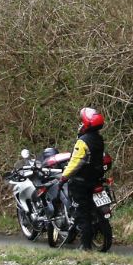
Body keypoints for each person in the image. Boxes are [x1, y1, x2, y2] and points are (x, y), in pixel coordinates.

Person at [58, 107, 106, 251]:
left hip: (81, 182)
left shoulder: (82, 142)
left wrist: (63, 177)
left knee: (82, 212)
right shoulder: (99, 139)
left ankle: (85, 246)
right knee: (90, 209)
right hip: (95, 179)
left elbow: (75, 163)